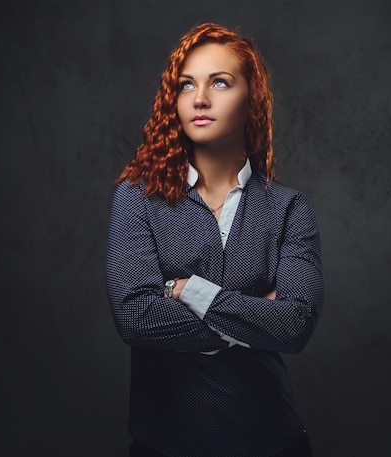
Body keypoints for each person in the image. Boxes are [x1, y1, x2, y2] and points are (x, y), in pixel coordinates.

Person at [105, 22, 324, 457]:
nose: (200, 99)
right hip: (166, 444)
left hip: (271, 441)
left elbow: (295, 326)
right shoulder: (137, 197)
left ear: (252, 99)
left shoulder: (288, 208)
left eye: (220, 82)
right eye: (187, 85)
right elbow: (135, 317)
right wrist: (255, 317)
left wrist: (189, 291)